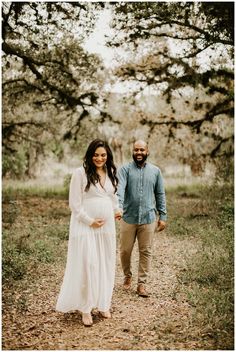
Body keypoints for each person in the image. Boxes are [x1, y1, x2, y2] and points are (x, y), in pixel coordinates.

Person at [56, 139, 122, 326]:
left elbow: (112, 196)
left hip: (106, 227)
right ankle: (86, 308)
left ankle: (103, 303)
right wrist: (90, 221)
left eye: (103, 155)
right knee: (88, 264)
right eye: (95, 155)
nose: (99, 158)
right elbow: (74, 204)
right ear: (89, 155)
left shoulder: (110, 173)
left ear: (107, 155)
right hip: (85, 226)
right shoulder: (80, 173)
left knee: (105, 263)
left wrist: (116, 209)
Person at [117, 140, 167, 297]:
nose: (139, 153)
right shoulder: (124, 170)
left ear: (147, 151)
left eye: (141, 150)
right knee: (125, 251)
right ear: (132, 151)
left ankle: (141, 284)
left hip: (148, 218)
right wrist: (118, 207)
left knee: (146, 251)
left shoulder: (155, 171)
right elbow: (120, 190)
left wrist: (162, 215)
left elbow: (160, 194)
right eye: (136, 150)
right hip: (128, 217)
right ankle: (127, 275)